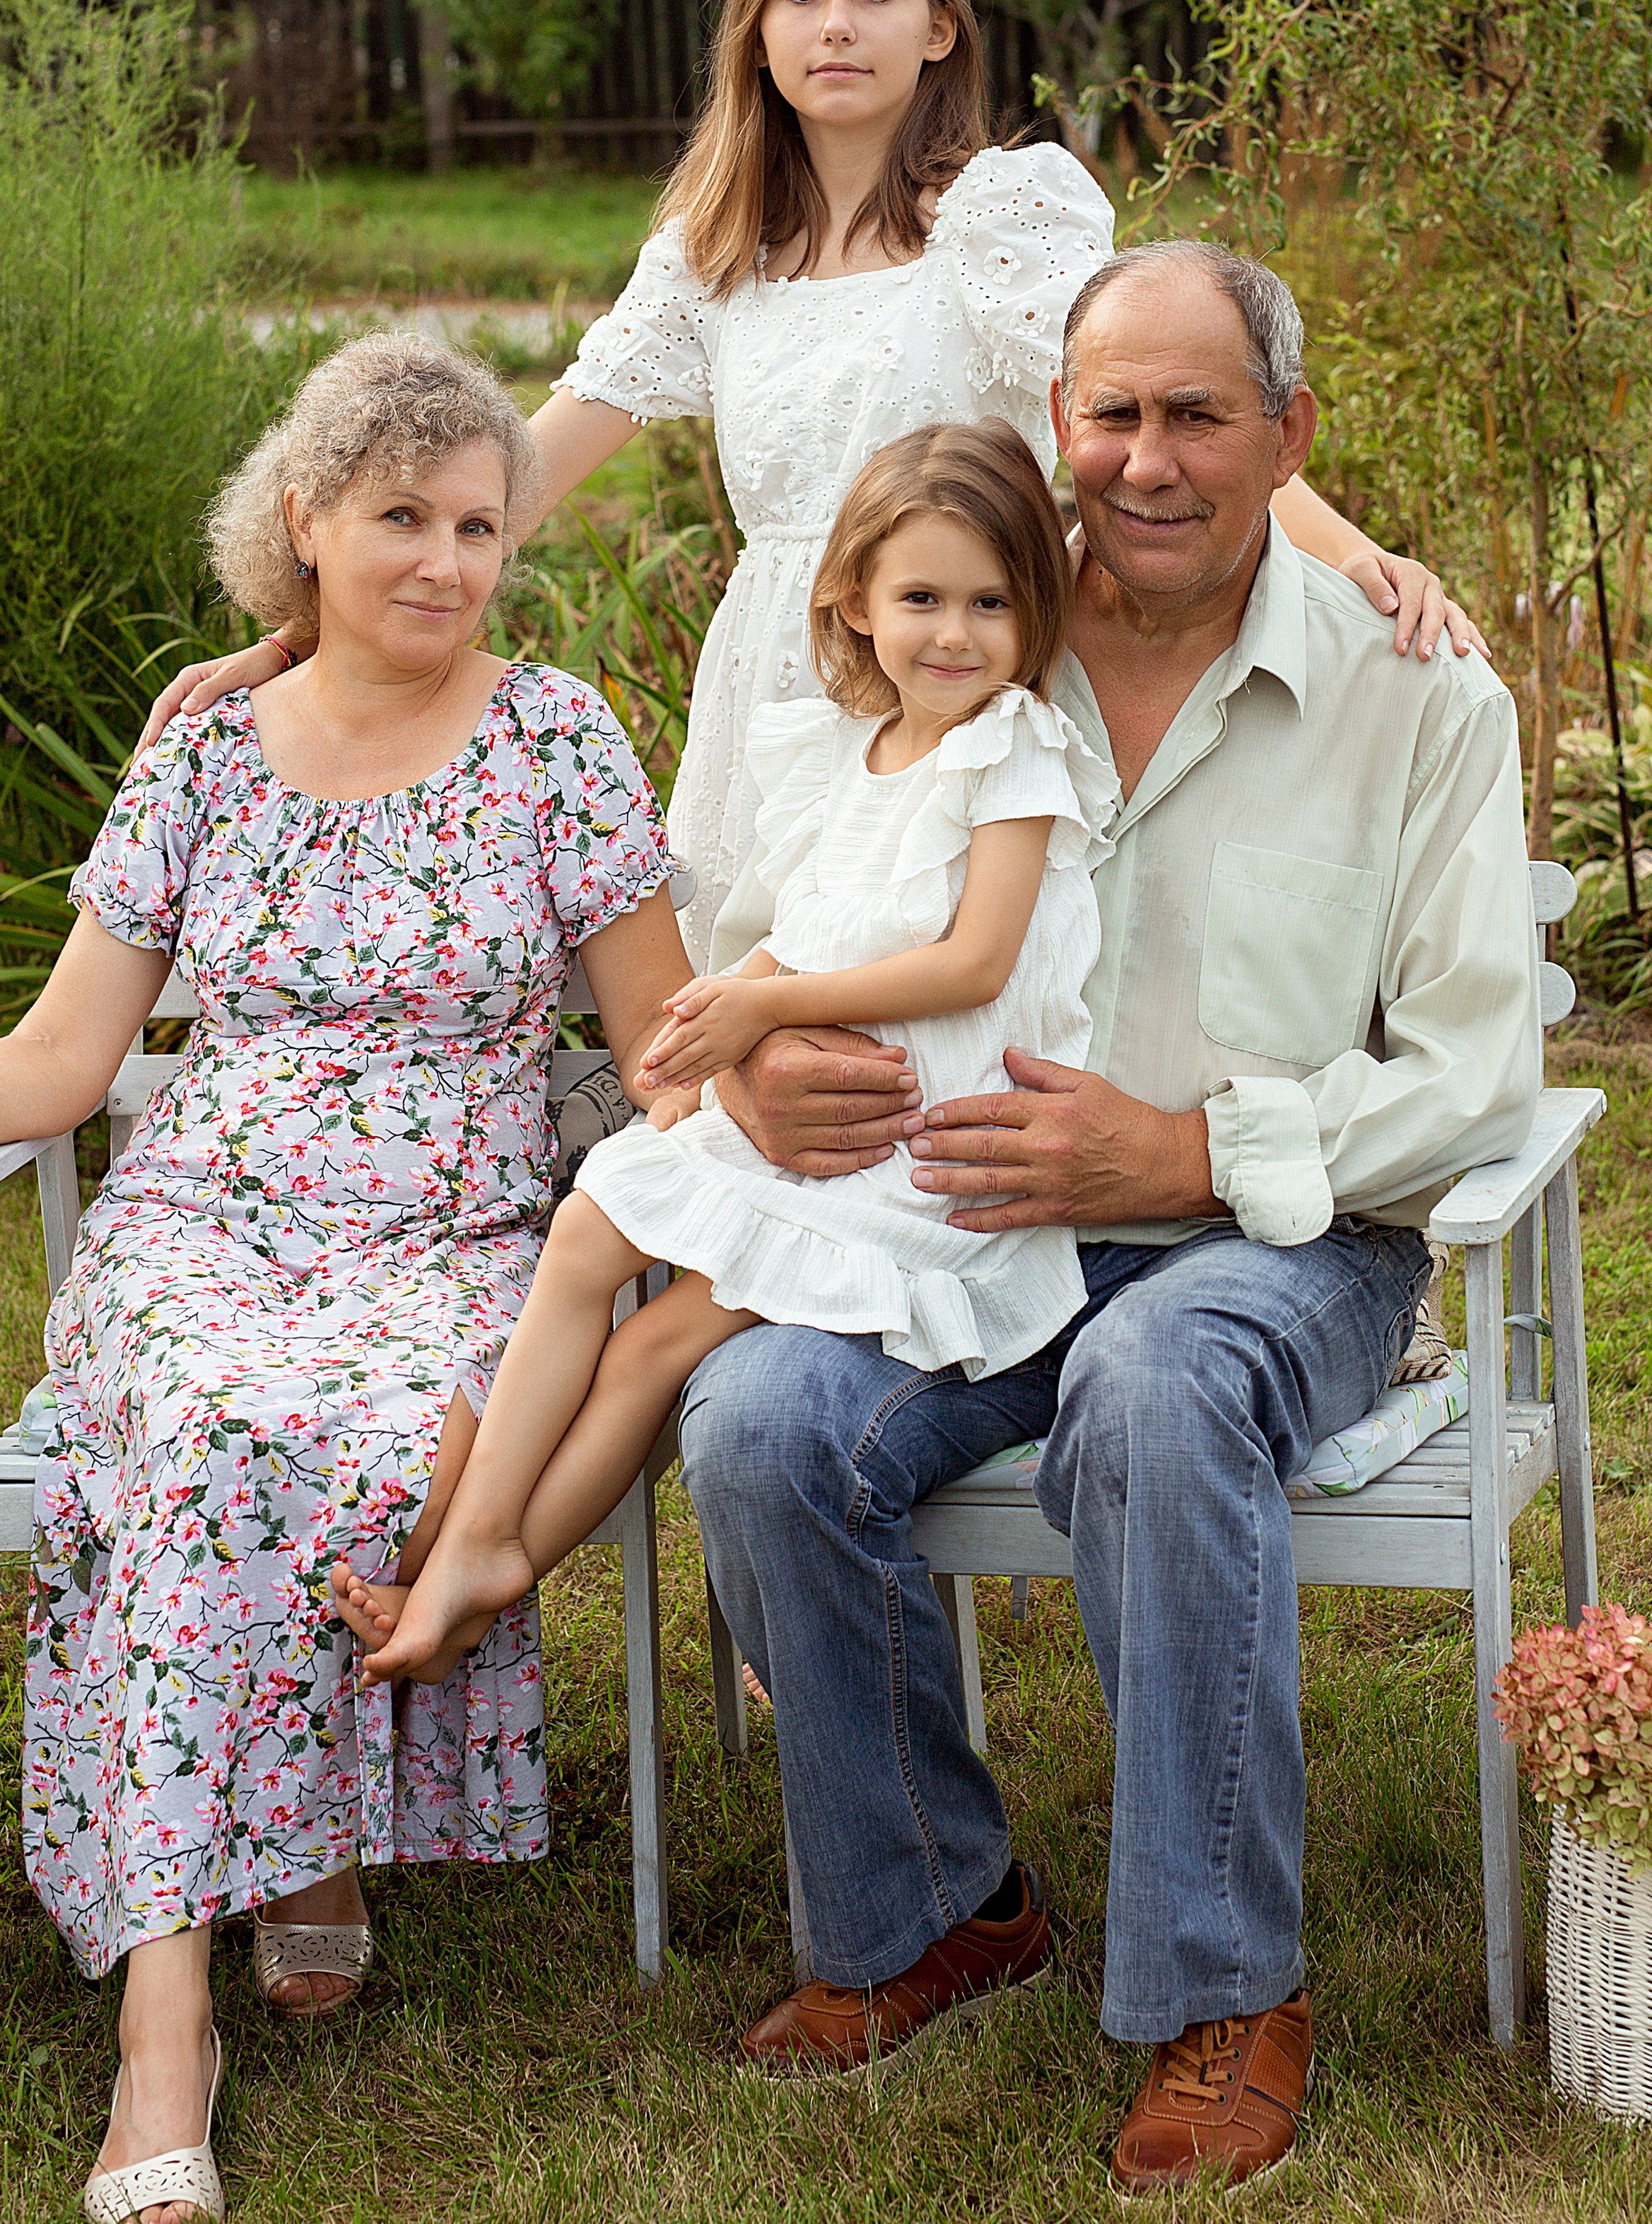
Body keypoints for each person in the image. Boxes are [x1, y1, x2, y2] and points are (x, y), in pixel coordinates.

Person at [678, 241, 1542, 2191]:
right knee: (754, 1426)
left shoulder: (1412, 697)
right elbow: (758, 939)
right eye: (1111, 413)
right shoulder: (960, 632)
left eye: (1197, 415)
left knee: (1155, 1386)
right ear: (1057, 425)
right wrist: (758, 1067)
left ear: (1291, 436)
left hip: (1283, 1245)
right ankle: (933, 1909)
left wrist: (1187, 1157)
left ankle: (1223, 1990)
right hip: (956, 1231)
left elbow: (1475, 1074)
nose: (1146, 461)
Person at [0, 335, 692, 2224]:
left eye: (479, 523)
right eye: (401, 515)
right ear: (304, 523)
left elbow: (659, 1055)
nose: (446, 559)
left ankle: (291, 1841)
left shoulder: (559, 738)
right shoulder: (207, 752)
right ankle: (173, 2028)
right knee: (219, 1420)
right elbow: (70, 1056)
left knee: (362, 1426)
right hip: (205, 1226)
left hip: (464, 1235)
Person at [139, 0, 1484, 969]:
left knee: (924, 999)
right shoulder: (714, 250)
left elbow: (1152, 414)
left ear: (939, 26)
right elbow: (519, 474)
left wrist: (1356, 558)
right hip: (771, 677)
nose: (836, 25)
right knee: (758, 1014)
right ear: (760, 34)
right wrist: (309, 631)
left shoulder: (1001, 218)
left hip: (947, 668)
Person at [329, 420, 1116, 1686]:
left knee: (655, 1344)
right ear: (853, 599)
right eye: (920, 598)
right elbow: (799, 930)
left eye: (991, 602)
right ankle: (475, 1543)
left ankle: (487, 1562)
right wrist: (720, 1010)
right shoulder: (843, 760)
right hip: (820, 1137)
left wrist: (769, 1010)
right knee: (588, 1243)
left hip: (915, 1159)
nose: (955, 635)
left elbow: (976, 963)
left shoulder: (1009, 752)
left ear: (1036, 615)